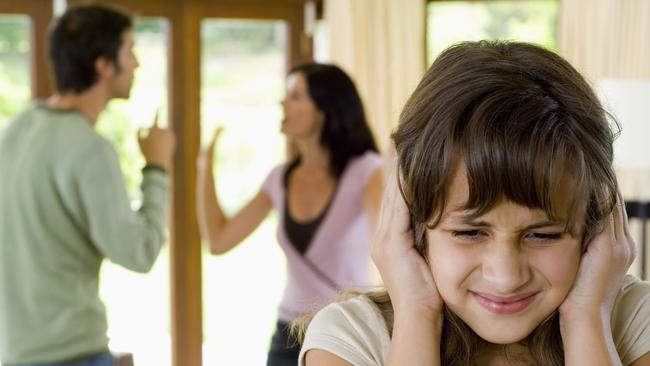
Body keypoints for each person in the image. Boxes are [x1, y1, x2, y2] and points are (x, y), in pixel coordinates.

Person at [298, 41, 650, 366]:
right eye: (469, 232)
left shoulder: (635, 321)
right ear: (413, 222)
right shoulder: (349, 339)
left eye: (542, 235)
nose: (506, 277)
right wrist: (417, 315)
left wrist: (587, 319)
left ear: (594, 226)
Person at [0, 5, 176, 366]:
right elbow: (139, 253)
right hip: (71, 354)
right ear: (103, 65)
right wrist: (157, 167)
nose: (137, 63)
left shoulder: (16, 130)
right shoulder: (90, 149)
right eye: (130, 50)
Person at [196, 62, 383, 366]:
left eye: (296, 96)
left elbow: (390, 244)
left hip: (342, 333)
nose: (282, 103)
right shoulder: (279, 179)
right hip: (288, 334)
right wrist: (204, 169)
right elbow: (218, 240)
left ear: (325, 109)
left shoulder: (366, 172)